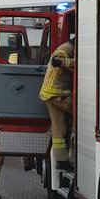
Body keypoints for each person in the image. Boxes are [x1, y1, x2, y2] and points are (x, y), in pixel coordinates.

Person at [38, 34, 75, 170]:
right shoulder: (65, 49)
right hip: (57, 93)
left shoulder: (66, 47)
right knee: (80, 117)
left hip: (49, 95)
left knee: (58, 128)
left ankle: (61, 160)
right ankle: (72, 156)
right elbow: (57, 60)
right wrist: (75, 62)